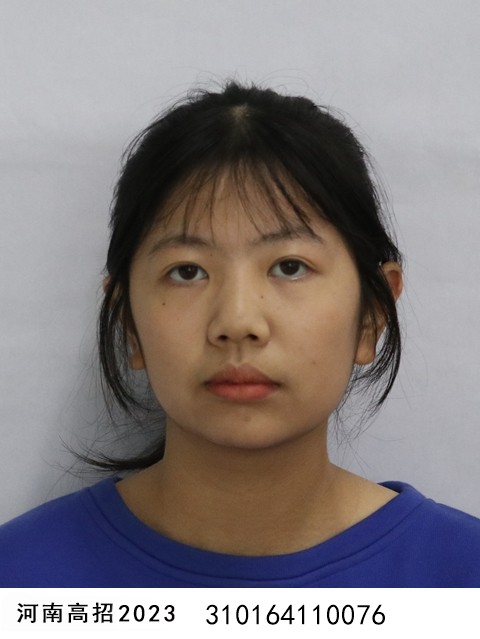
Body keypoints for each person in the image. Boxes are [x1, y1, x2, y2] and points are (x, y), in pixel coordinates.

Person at [1, 81, 479, 587]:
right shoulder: (20, 576)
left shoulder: (461, 575)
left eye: (290, 266)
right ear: (129, 325)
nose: (237, 322)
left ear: (371, 316)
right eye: (187, 272)